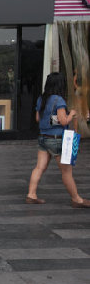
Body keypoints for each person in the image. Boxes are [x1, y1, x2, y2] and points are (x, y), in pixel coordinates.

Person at [26, 72, 90, 208]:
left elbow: (38, 119)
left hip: (43, 138)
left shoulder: (41, 99)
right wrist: (71, 114)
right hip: (57, 140)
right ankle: (77, 199)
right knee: (66, 172)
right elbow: (63, 121)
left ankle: (31, 195)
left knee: (39, 167)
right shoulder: (59, 100)